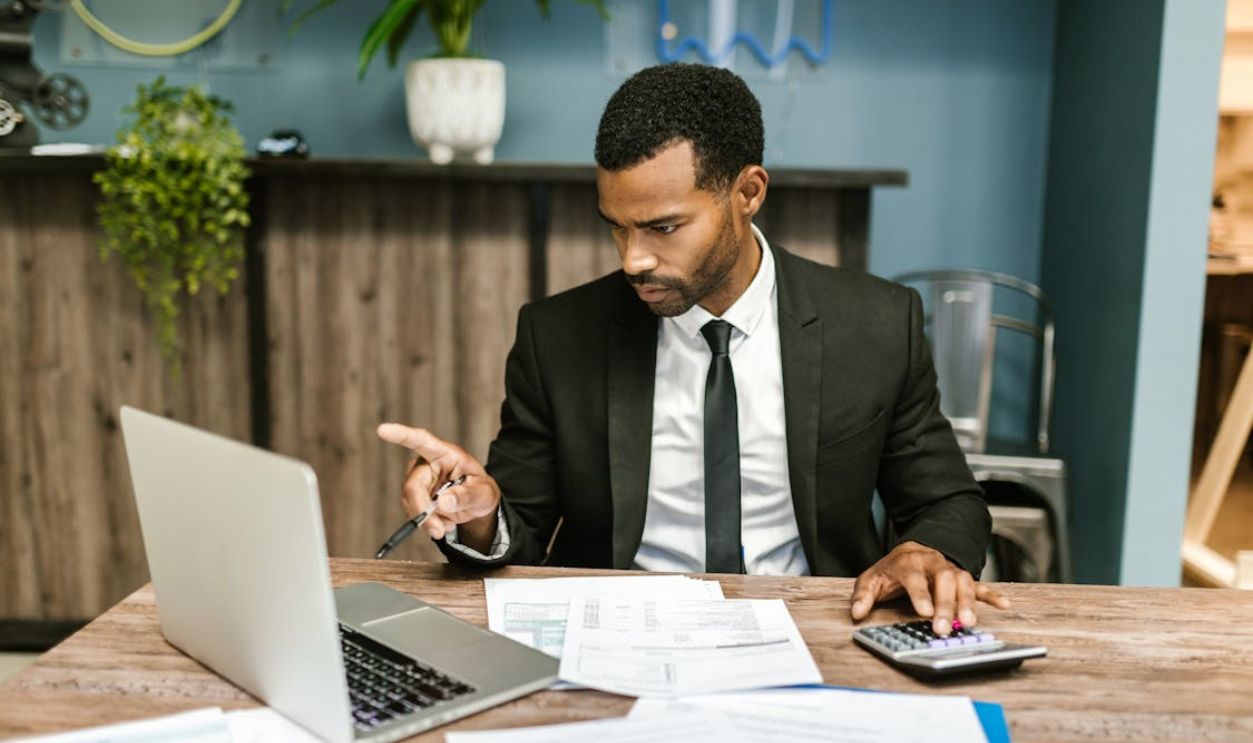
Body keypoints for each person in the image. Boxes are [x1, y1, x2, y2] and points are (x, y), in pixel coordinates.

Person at [378, 63, 1008, 636]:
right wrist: (479, 514)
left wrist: (928, 550)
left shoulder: (874, 324)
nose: (634, 259)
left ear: (748, 193)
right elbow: (521, 530)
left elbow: (946, 500)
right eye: (617, 228)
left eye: (663, 227)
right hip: (619, 634)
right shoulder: (559, 337)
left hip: (818, 627)